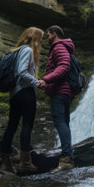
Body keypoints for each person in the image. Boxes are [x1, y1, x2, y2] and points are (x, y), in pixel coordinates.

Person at [0, 27, 44, 174]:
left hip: (14, 94)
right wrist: (37, 83)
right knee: (27, 126)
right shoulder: (27, 50)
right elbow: (22, 72)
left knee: (11, 126)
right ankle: (25, 162)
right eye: (40, 38)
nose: (42, 41)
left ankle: (6, 163)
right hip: (25, 92)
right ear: (35, 39)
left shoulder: (17, 51)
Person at [38, 25, 75, 172]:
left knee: (60, 122)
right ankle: (68, 157)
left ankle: (66, 159)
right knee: (64, 123)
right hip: (64, 92)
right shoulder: (63, 47)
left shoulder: (58, 47)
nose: (47, 37)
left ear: (54, 34)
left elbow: (64, 66)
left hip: (60, 92)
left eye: (48, 34)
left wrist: (46, 79)